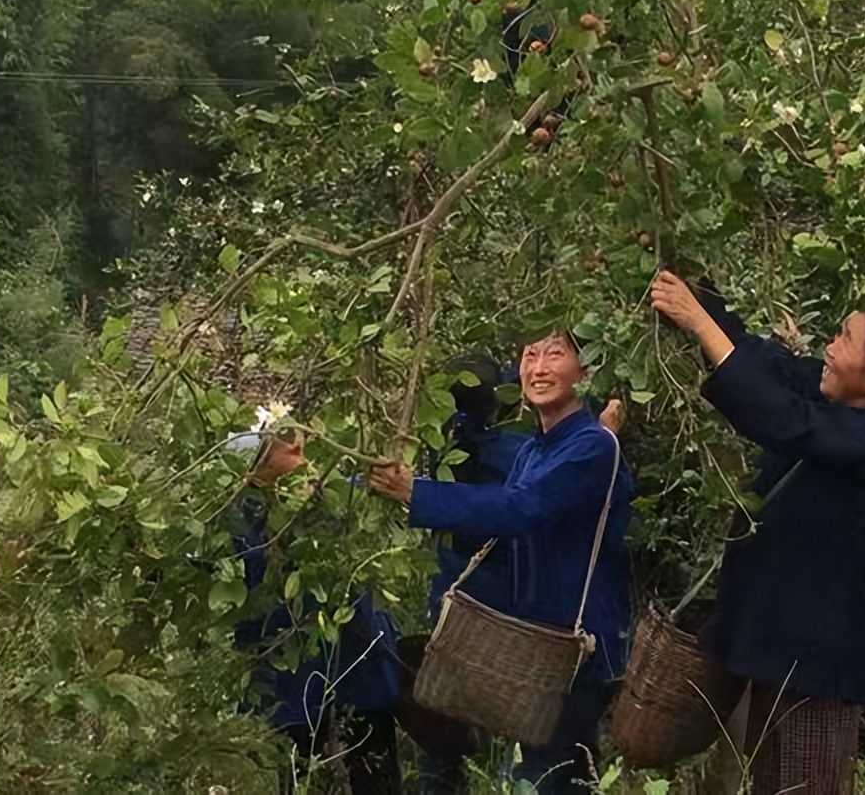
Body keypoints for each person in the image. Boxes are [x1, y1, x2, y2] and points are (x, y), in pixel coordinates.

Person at [650, 271, 865, 795]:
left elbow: (784, 420)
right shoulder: (835, 394)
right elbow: (766, 363)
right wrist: (696, 290)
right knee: (736, 775)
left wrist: (697, 321)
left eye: (845, 341)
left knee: (801, 781)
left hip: (813, 655)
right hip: (762, 634)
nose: (829, 347)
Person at [369, 331, 634, 794]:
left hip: (577, 648)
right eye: (530, 354)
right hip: (534, 642)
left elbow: (522, 509)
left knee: (553, 778)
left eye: (556, 355)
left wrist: (419, 493)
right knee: (535, 773)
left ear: (585, 371)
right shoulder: (533, 449)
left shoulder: (593, 447)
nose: (539, 367)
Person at [227, 431, 402, 795]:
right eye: (294, 445)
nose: (302, 452)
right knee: (301, 772)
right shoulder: (237, 520)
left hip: (356, 668)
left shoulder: (335, 496)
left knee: (372, 769)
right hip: (291, 684)